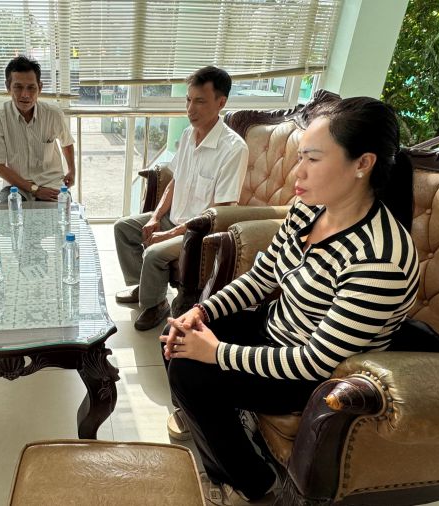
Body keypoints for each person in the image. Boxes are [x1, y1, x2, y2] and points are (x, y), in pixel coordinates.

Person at [160, 97, 418, 504]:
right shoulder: (308, 209)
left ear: (362, 164)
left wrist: (217, 353)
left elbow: (318, 360)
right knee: (178, 332)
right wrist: (203, 310)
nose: (298, 172)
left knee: (190, 371)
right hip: (280, 329)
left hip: (315, 377)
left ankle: (253, 484)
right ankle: (211, 426)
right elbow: (264, 276)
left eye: (312, 160)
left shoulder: (379, 258)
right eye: (301, 157)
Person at [114, 66, 248, 331]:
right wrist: (155, 217)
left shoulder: (233, 149)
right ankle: (144, 286)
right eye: (188, 100)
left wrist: (168, 234)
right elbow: (175, 181)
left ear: (221, 102)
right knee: (123, 228)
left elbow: (218, 213)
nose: (190, 109)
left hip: (198, 234)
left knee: (153, 252)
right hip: (172, 220)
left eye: (200, 101)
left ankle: (155, 304)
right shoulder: (188, 135)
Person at [0, 55, 76, 203]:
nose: (25, 95)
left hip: (51, 183)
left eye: (31, 88)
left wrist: (72, 171)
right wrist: (35, 190)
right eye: (18, 87)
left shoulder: (53, 114)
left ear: (40, 88)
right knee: (7, 218)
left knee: (60, 217)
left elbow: (67, 142)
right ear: (8, 87)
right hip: (15, 186)